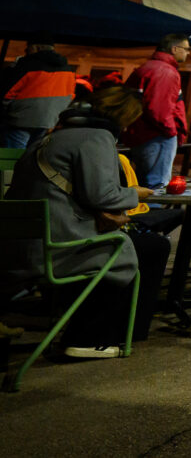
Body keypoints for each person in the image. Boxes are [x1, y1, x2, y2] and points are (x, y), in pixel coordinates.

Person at [2, 86, 170, 355]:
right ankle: (92, 337)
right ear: (123, 116)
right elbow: (103, 195)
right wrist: (134, 194)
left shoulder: (54, 136)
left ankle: (99, 329)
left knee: (142, 244)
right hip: (55, 248)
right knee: (152, 246)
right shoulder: (96, 138)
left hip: (19, 246)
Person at [122, 34, 191, 191]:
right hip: (157, 136)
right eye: (186, 49)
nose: (188, 53)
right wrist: (172, 132)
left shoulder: (146, 67)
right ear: (175, 49)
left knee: (143, 185)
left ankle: (143, 214)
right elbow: (159, 111)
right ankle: (152, 214)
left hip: (140, 134)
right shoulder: (166, 72)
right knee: (156, 186)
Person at [0, 37, 76, 149]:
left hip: (20, 119)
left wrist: (5, 111)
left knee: (13, 158)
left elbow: (8, 93)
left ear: (36, 47)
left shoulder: (27, 66)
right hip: (48, 121)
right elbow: (71, 95)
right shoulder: (68, 69)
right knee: (31, 154)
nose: (26, 52)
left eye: (28, 49)